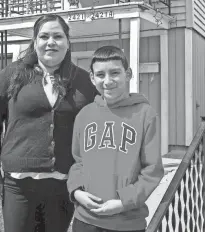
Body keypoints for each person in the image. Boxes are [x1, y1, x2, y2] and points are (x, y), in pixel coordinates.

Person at [0, 14, 97, 232]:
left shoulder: (83, 81)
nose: (50, 42)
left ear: (68, 42)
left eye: (57, 36)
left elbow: (96, 127)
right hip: (19, 185)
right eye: (44, 36)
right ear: (35, 42)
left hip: (63, 183)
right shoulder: (10, 76)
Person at [67, 46, 164, 232]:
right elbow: (77, 162)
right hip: (85, 219)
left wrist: (123, 202)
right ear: (92, 78)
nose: (108, 81)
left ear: (128, 74)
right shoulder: (84, 115)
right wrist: (77, 191)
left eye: (115, 73)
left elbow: (152, 170)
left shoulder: (145, 114)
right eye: (101, 74)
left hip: (126, 222)